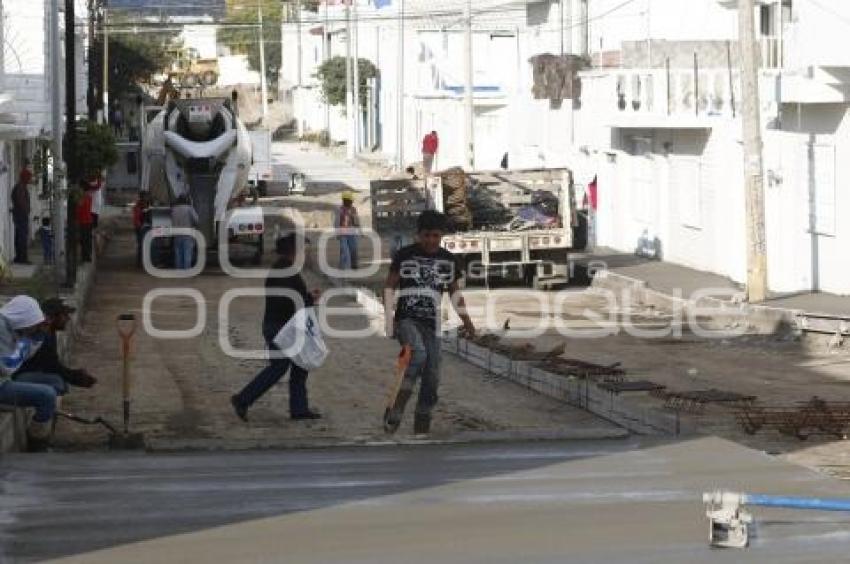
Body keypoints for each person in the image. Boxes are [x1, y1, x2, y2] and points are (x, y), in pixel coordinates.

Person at [383, 210, 476, 435]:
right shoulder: (404, 255)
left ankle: (421, 428)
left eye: (435, 235)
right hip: (406, 319)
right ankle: (396, 407)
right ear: (418, 235)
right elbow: (389, 287)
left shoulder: (448, 260)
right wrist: (389, 320)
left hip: (432, 324)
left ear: (441, 235)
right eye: (426, 235)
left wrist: (468, 322)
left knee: (432, 376)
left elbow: (455, 294)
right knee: (419, 354)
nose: (431, 240)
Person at [231, 233, 323, 421]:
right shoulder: (285, 272)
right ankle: (242, 399)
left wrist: (306, 297)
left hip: (283, 326)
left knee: (299, 365)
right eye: (302, 250)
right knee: (280, 367)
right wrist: (308, 299)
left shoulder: (283, 269)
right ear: (293, 251)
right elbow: (287, 301)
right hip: (282, 328)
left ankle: (299, 409)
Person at [0, 296, 57, 450]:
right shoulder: (2, 330)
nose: (35, 327)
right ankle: (37, 446)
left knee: (52, 387)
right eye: (34, 324)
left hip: (4, 381)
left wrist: (37, 338)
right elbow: (8, 366)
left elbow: (21, 358)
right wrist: (28, 341)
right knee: (47, 395)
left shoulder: (11, 328)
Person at [15, 298, 96, 395]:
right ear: (53, 317)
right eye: (64, 315)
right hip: (18, 377)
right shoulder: (42, 334)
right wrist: (75, 377)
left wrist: (74, 374)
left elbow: (53, 364)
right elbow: (52, 366)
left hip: (30, 373)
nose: (68, 319)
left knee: (60, 382)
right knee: (57, 382)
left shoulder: (49, 332)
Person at [170, 195, 199, 270]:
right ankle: (186, 271)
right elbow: (196, 220)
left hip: (176, 234)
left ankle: (179, 271)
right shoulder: (189, 209)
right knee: (187, 253)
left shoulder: (173, 209)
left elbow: (171, 221)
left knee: (178, 254)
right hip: (187, 233)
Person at [334, 191, 360, 270]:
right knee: (345, 251)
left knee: (353, 249)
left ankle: (354, 265)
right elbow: (336, 222)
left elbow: (356, 221)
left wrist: (358, 230)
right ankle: (343, 267)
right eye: (350, 200)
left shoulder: (353, 209)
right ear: (345, 200)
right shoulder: (339, 210)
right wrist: (337, 233)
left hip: (352, 232)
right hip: (343, 233)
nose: (351, 202)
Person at [11, 167, 32, 264]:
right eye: (28, 177)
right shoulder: (20, 187)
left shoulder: (21, 187)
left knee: (20, 236)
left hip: (20, 214)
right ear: (24, 177)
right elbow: (20, 202)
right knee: (22, 236)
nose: (29, 180)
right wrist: (26, 210)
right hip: (21, 215)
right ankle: (22, 258)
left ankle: (20, 257)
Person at [132, 192, 152, 267]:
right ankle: (141, 263)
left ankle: (143, 262)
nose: (147, 198)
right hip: (141, 228)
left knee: (144, 245)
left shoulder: (145, 205)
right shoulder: (139, 206)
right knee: (142, 245)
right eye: (146, 196)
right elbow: (137, 218)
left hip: (144, 227)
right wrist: (140, 226)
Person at [76, 187, 94, 263]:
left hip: (83, 222)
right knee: (87, 240)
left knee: (84, 240)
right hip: (87, 222)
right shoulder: (88, 198)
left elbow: (78, 211)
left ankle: (85, 256)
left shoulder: (83, 200)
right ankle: (87, 256)